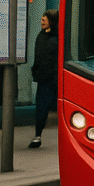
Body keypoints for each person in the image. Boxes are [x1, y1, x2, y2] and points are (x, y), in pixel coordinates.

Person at [29, 9, 59, 149]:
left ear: (51, 22)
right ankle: (37, 135)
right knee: (41, 107)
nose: (42, 21)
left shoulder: (56, 38)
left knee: (46, 106)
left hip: (52, 79)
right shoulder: (41, 36)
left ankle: (38, 135)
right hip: (44, 79)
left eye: (44, 19)